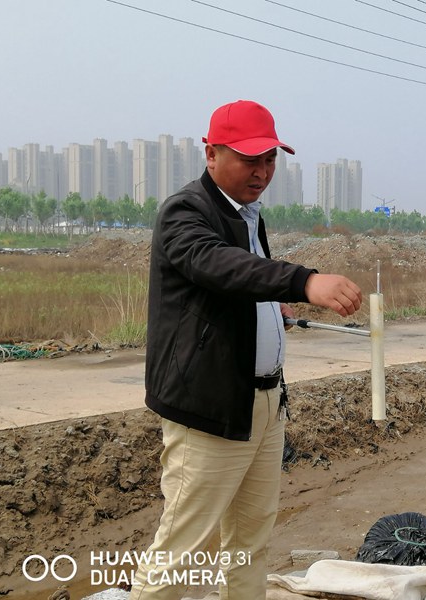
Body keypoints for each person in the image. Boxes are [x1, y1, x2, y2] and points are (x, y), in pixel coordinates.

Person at [130, 100, 362, 599]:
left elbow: (238, 286)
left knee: (250, 541)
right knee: (182, 549)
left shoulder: (247, 215)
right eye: (249, 160)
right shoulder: (186, 211)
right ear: (211, 154)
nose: (262, 172)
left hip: (263, 404)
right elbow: (217, 265)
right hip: (209, 407)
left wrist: (270, 310)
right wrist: (303, 281)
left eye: (270, 160)